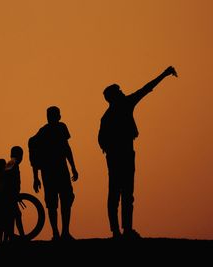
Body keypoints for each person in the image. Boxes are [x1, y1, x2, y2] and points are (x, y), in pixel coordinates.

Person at [98, 66, 177, 239]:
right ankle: (121, 230)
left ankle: (121, 231)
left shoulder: (109, 115)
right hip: (122, 155)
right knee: (121, 194)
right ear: (113, 97)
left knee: (121, 193)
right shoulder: (122, 107)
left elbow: (100, 141)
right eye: (119, 91)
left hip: (120, 155)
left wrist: (109, 150)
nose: (122, 92)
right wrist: (164, 74)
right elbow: (145, 89)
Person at [31, 106, 79, 241]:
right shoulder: (58, 128)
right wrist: (73, 167)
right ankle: (60, 233)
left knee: (61, 201)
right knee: (59, 202)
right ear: (58, 116)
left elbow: (66, 148)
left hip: (52, 172)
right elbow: (66, 148)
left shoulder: (44, 132)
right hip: (55, 171)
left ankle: (60, 233)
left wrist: (73, 167)